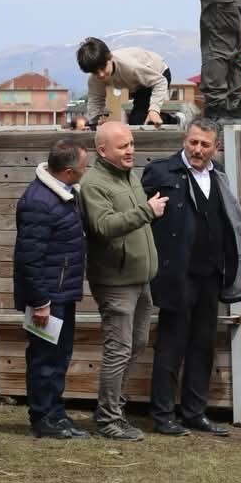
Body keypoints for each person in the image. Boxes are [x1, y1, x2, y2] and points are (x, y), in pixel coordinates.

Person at [142, 118, 241, 437]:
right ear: (184, 141)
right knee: (171, 344)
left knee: (203, 344)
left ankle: (194, 413)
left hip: (211, 274)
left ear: (216, 147)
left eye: (204, 144)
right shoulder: (160, 172)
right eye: (193, 142)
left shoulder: (219, 175)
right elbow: (141, 218)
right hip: (177, 274)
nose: (197, 149)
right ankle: (162, 415)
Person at [80, 121, 167, 441]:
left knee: (137, 343)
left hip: (140, 278)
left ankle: (115, 406)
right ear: (102, 151)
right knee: (118, 349)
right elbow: (103, 226)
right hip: (115, 282)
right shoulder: (93, 184)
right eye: (123, 146)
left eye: (131, 143)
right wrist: (147, 211)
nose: (130, 150)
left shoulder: (128, 175)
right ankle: (108, 418)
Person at [14, 139, 88, 439]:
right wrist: (40, 301)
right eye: (83, 166)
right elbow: (29, 257)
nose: (86, 170)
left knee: (60, 356)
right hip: (47, 297)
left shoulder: (64, 194)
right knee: (45, 358)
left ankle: (56, 413)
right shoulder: (39, 202)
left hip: (61, 292)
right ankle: (42, 417)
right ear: (68, 171)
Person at [77, 37, 170, 127]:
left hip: (158, 75)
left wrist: (154, 110)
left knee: (140, 120)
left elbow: (160, 81)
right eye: (95, 72)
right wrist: (97, 118)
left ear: (110, 57)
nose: (101, 75)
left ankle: (171, 121)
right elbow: (95, 100)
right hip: (138, 85)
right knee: (136, 119)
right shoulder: (94, 78)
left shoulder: (131, 67)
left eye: (103, 68)